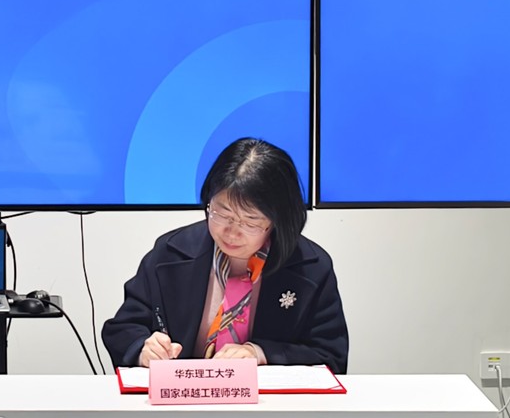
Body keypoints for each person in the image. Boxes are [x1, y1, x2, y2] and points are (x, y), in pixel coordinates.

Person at [102, 137, 348, 374]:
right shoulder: (171, 252)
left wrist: (261, 353)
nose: (232, 232)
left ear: (278, 220)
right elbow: (122, 329)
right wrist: (143, 349)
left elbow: (331, 355)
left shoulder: (312, 268)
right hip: (184, 395)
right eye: (222, 214)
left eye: (250, 221)